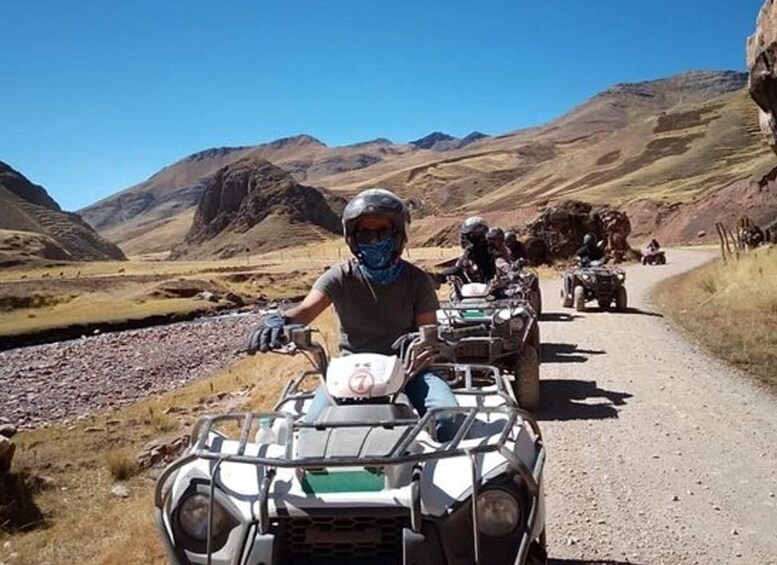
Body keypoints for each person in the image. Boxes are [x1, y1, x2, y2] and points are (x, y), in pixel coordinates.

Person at [247, 188, 459, 441]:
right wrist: (280, 321)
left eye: (383, 232)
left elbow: (427, 335)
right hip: (350, 372)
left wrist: (417, 359)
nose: (374, 240)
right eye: (365, 233)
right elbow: (305, 310)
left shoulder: (416, 280)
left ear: (399, 235)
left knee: (447, 419)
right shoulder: (340, 276)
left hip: (409, 370)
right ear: (353, 238)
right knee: (311, 431)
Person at [450, 216, 496, 283]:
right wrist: (440, 275)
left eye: (471, 235)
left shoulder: (492, 249)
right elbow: (457, 267)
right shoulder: (469, 252)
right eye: (466, 236)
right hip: (474, 289)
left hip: (494, 287)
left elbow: (501, 262)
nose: (466, 239)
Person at [563, 233, 606, 300]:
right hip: (584, 268)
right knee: (573, 275)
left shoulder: (598, 250)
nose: (590, 243)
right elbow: (577, 256)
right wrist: (579, 259)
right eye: (589, 241)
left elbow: (603, 257)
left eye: (591, 241)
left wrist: (604, 259)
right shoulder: (583, 250)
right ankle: (570, 293)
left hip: (597, 268)